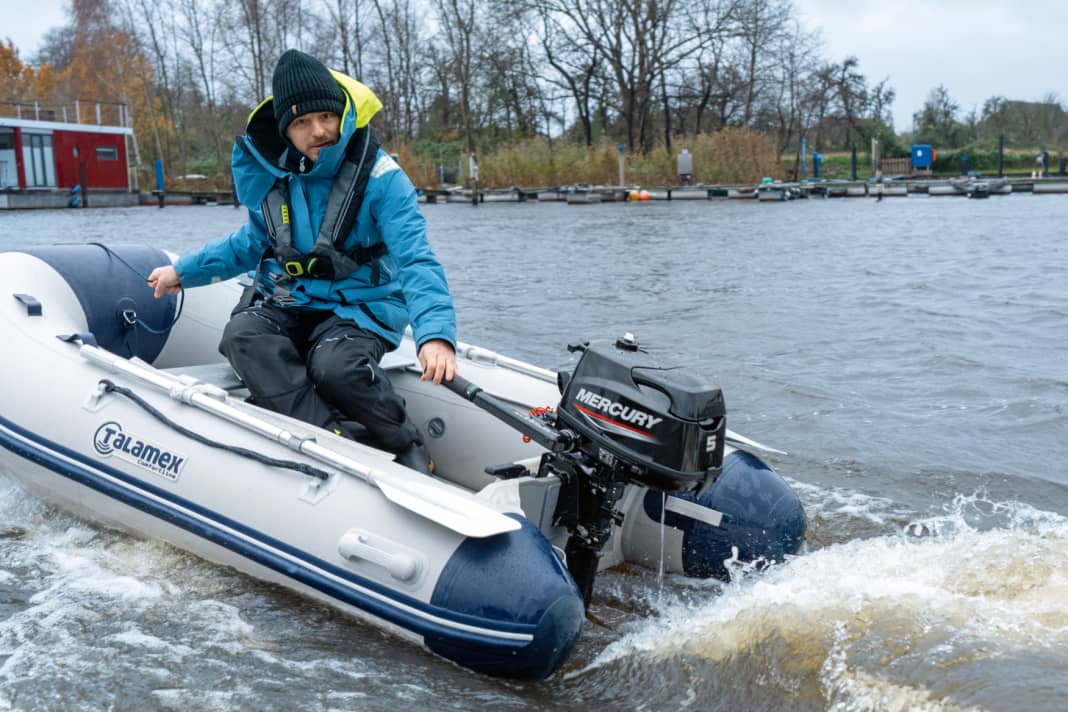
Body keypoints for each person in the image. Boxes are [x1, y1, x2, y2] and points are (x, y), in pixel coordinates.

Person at [148, 49, 456, 474]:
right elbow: (250, 242)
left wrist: (435, 335)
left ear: (342, 114)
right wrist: (184, 272)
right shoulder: (277, 178)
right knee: (243, 335)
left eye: (326, 117)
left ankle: (406, 443)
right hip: (291, 298)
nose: (319, 131)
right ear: (286, 132)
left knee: (336, 367)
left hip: (361, 306)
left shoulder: (384, 180)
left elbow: (417, 259)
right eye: (301, 122)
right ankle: (333, 443)